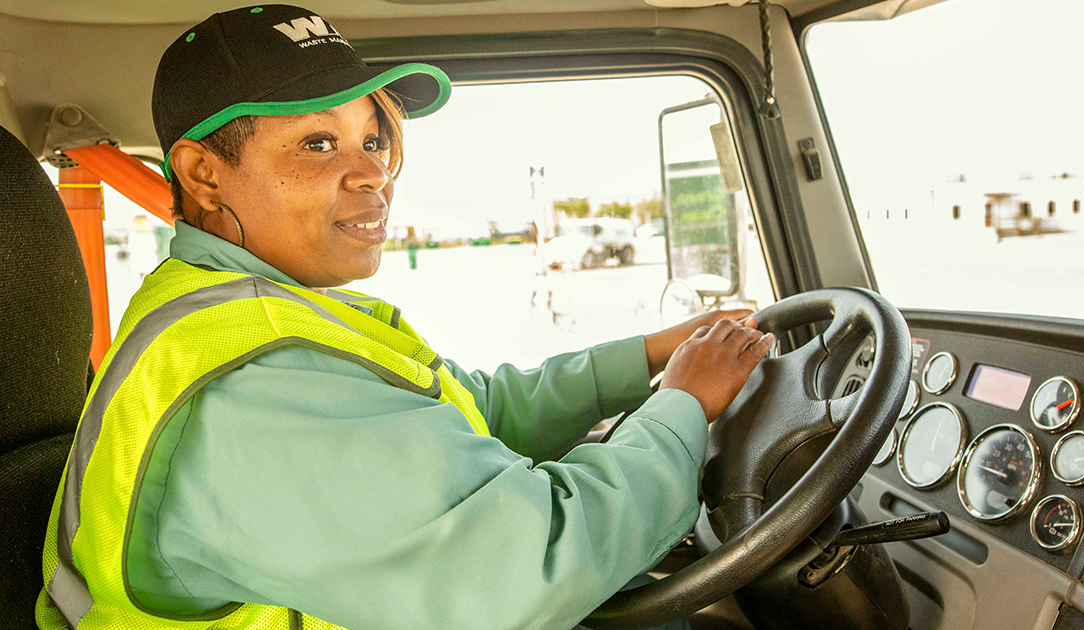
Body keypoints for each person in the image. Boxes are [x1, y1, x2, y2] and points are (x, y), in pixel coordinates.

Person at [35, 6, 774, 630]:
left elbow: (474, 406)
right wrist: (682, 405)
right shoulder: (254, 381)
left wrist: (649, 357)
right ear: (203, 174)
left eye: (373, 139)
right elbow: (529, 566)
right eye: (318, 143)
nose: (373, 176)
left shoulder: (249, 309)